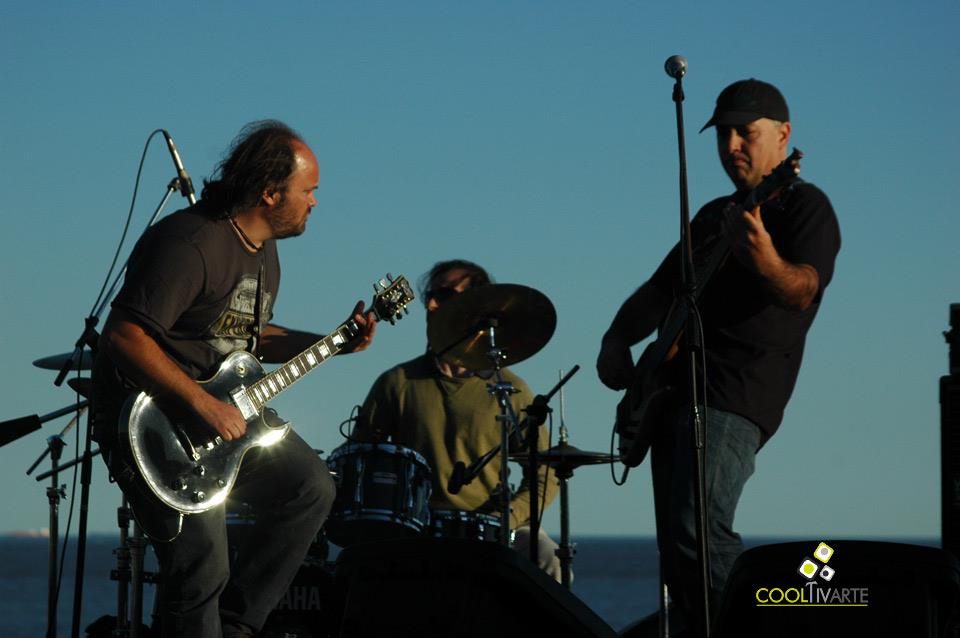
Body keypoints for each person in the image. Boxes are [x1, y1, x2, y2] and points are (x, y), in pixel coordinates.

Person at [91, 120, 377, 638]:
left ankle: (235, 629)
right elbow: (125, 337)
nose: (314, 202)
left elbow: (246, 337)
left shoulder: (264, 250)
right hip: (152, 427)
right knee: (200, 570)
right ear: (270, 193)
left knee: (309, 487)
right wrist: (202, 405)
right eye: (307, 190)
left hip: (221, 413)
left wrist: (335, 341)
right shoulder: (191, 243)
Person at [596, 79, 841, 632]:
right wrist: (616, 337)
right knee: (677, 557)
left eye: (745, 133)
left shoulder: (805, 206)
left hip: (735, 392)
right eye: (723, 134)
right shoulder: (713, 215)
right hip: (671, 392)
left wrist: (764, 258)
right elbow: (660, 291)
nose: (732, 145)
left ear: (783, 137)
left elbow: (803, 288)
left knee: (698, 530)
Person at [351, 259, 564, 581]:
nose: (432, 304)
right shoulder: (397, 383)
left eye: (446, 295)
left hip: (493, 524)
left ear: (477, 308)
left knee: (545, 555)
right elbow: (360, 461)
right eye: (431, 297)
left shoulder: (510, 389)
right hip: (414, 525)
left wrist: (510, 516)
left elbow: (545, 470)